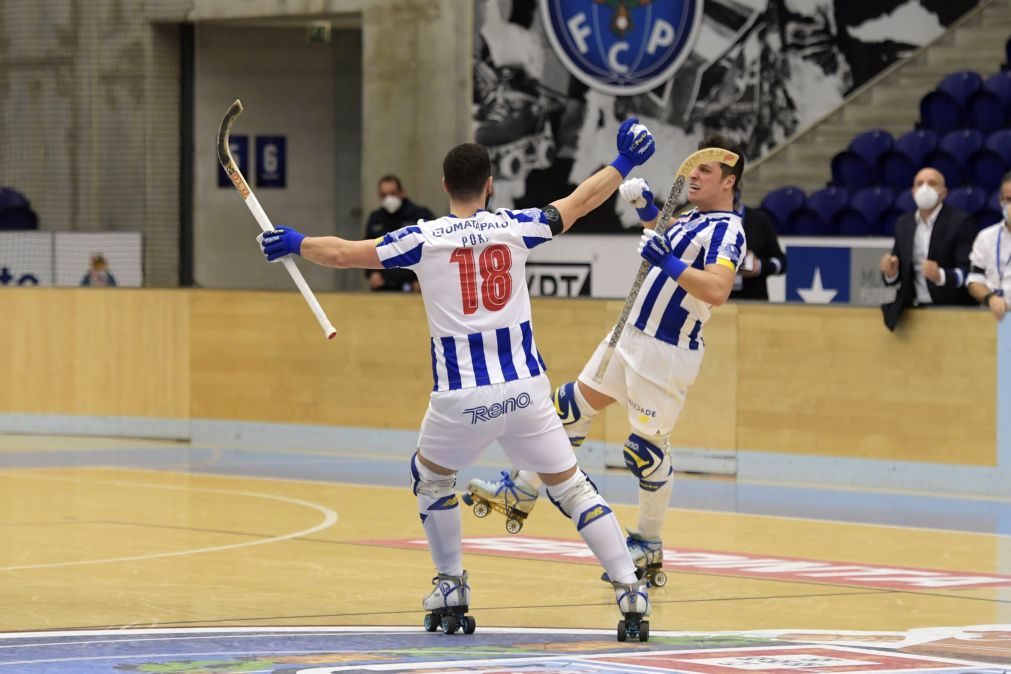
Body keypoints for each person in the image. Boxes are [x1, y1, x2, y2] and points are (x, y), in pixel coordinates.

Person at [258, 119, 657, 639]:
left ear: (445, 185)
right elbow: (580, 201)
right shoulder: (514, 226)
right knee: (573, 489)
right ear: (490, 184)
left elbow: (344, 254)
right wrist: (623, 163)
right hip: (525, 392)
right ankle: (630, 591)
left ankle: (451, 584)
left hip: (460, 398)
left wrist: (294, 241)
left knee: (432, 478)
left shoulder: (422, 239)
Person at [467, 135, 747, 584]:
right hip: (629, 334)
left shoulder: (728, 231)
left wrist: (669, 263)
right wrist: (647, 213)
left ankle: (649, 545)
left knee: (646, 451)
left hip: (665, 350)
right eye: (693, 168)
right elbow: (666, 243)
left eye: (705, 172)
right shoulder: (692, 217)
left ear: (729, 181)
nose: (692, 175)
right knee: (568, 409)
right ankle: (520, 491)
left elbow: (716, 288)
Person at [880, 167, 977, 331]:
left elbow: (969, 272)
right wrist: (891, 272)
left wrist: (941, 275)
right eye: (920, 184)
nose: (924, 188)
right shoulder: (903, 224)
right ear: (913, 191)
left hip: (951, 309)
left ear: (943, 192)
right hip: (911, 311)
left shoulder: (961, 222)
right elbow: (898, 277)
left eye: (931, 183)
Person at [363, 175, 434, 292]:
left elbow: (431, 249)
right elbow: (366, 248)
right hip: (383, 286)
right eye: (384, 195)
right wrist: (371, 274)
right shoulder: (375, 219)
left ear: (402, 193)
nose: (388, 198)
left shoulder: (420, 216)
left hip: (413, 286)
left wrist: (423, 279)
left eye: (392, 194)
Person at [966, 171, 1011, 321]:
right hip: (990, 317)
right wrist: (990, 298)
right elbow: (974, 279)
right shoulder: (986, 237)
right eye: (1009, 200)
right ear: (1001, 201)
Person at [729, 204, 786, 301]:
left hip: (754, 301)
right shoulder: (703, 219)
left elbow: (781, 263)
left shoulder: (759, 219)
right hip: (712, 302)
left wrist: (759, 266)